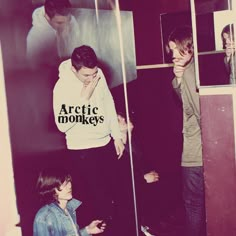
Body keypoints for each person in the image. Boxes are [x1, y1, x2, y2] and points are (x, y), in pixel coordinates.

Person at [53, 45, 126, 235]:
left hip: (104, 144)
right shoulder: (62, 87)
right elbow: (62, 125)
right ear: (73, 69)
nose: (92, 79)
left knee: (115, 195)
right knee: (95, 202)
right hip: (82, 150)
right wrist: (82, 99)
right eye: (86, 75)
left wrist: (116, 135)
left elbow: (108, 104)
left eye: (94, 74)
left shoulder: (97, 74)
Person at [167, 26, 206, 236]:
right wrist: (179, 80)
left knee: (193, 205)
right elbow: (189, 106)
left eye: (176, 50)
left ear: (189, 48)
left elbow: (200, 115)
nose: (173, 55)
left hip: (196, 152)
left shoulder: (192, 73)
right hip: (201, 150)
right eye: (171, 50)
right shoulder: (191, 70)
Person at [33, 168, 106, 236]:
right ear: (50, 188)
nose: (69, 186)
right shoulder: (45, 216)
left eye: (68, 181)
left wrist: (87, 230)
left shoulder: (69, 209)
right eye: (62, 184)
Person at [27, 0, 78, 67]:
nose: (65, 26)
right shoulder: (35, 36)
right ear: (47, 17)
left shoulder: (72, 21)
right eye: (60, 23)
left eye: (68, 21)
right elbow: (35, 67)